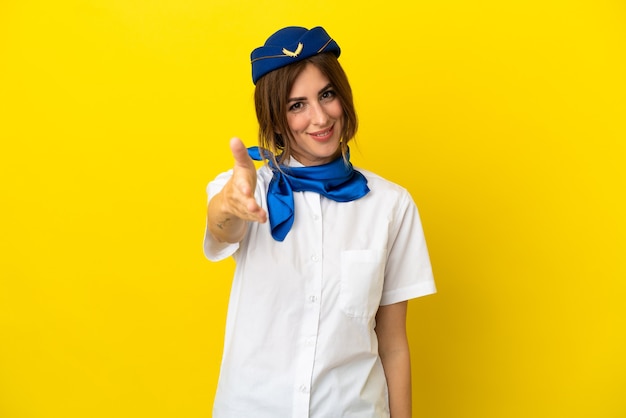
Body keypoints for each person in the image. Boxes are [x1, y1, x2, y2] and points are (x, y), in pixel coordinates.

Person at [203, 25, 436, 418]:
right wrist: (227, 207)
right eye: (297, 105)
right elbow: (222, 224)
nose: (320, 116)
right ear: (275, 120)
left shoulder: (391, 205)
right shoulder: (247, 191)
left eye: (326, 95)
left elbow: (393, 343)